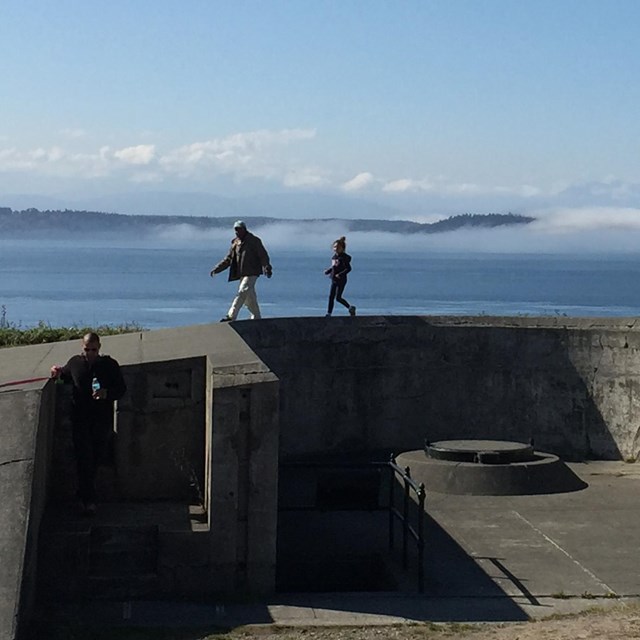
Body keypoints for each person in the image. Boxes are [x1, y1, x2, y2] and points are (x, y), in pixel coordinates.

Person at [50, 332, 126, 515]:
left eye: (93, 349)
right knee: (84, 459)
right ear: (81, 347)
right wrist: (56, 373)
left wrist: (106, 393)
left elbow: (121, 389)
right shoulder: (75, 363)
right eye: (87, 349)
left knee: (97, 458)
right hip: (80, 419)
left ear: (99, 347)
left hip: (101, 420)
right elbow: (64, 377)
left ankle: (83, 494)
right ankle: (88, 499)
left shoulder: (109, 365)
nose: (90, 353)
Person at [210, 220, 273, 321]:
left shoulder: (254, 241)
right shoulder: (235, 243)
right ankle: (256, 317)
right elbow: (229, 259)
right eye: (235, 230)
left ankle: (231, 316)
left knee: (242, 291)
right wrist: (217, 269)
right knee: (249, 298)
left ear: (244, 229)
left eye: (238, 229)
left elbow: (263, 255)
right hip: (242, 273)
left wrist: (266, 266)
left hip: (252, 272)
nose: (237, 232)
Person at [324, 236, 356, 317]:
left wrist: (340, 274)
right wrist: (328, 271)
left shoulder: (344, 258)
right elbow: (334, 267)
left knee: (338, 297)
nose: (336, 248)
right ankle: (329, 313)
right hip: (334, 279)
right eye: (335, 247)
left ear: (342, 248)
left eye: (338, 247)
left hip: (341, 280)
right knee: (331, 296)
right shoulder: (334, 257)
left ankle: (350, 308)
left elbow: (349, 268)